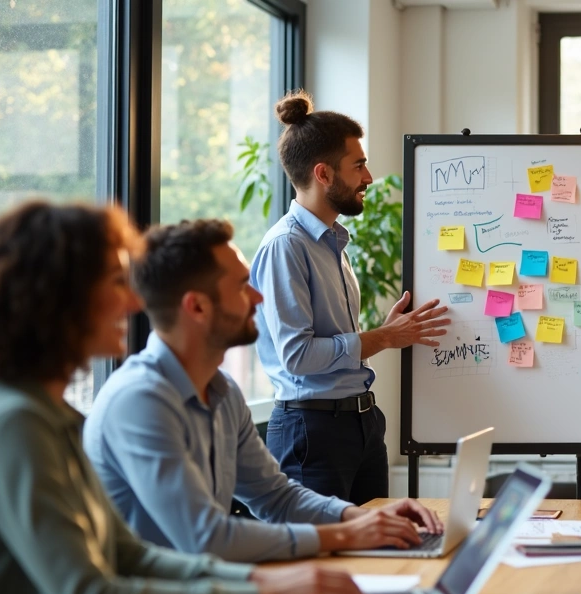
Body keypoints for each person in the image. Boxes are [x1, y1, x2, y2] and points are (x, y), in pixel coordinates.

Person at [0, 202, 365, 594]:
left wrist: (261, 583)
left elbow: (130, 557)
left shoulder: (47, 414)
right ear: (57, 298)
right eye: (116, 282)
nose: (133, 301)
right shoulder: (15, 423)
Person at [83, 219, 444, 563]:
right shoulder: (140, 400)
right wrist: (347, 534)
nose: (258, 297)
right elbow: (205, 538)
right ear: (197, 306)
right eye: (242, 286)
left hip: (208, 587)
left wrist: (359, 516)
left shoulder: (223, 392)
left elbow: (276, 497)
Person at [252, 90, 450, 502]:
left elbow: (334, 341)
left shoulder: (333, 242)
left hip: (360, 423)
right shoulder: (286, 246)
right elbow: (298, 356)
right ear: (323, 174)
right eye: (358, 165)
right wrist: (384, 337)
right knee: (327, 543)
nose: (369, 177)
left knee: (374, 540)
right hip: (312, 432)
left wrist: (385, 332)